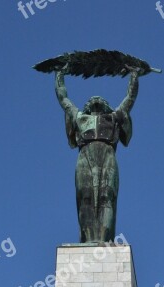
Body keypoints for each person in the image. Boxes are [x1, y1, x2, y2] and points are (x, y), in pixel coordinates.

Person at [55, 67, 140, 242]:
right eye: (92, 98)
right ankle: (88, 239)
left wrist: (134, 75)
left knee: (105, 196)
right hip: (85, 155)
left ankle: (103, 238)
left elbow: (129, 99)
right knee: (85, 196)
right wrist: (59, 75)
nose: (95, 98)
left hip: (107, 154)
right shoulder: (79, 117)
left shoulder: (113, 117)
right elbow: (63, 99)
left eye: (101, 98)